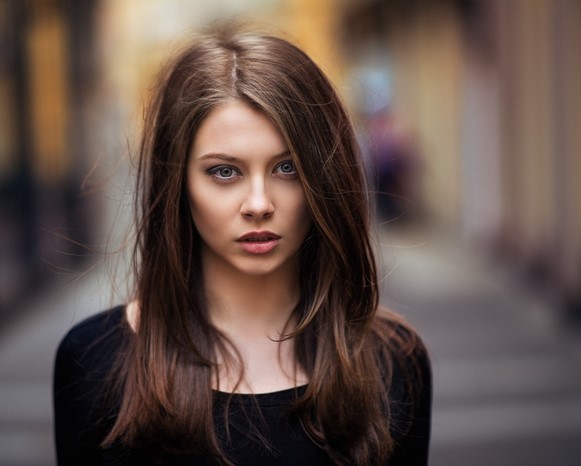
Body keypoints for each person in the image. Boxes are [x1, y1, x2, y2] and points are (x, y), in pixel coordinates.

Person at [53, 24, 432, 466]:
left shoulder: (394, 362)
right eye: (224, 172)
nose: (259, 204)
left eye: (287, 168)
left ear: (323, 178)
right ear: (177, 184)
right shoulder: (94, 360)